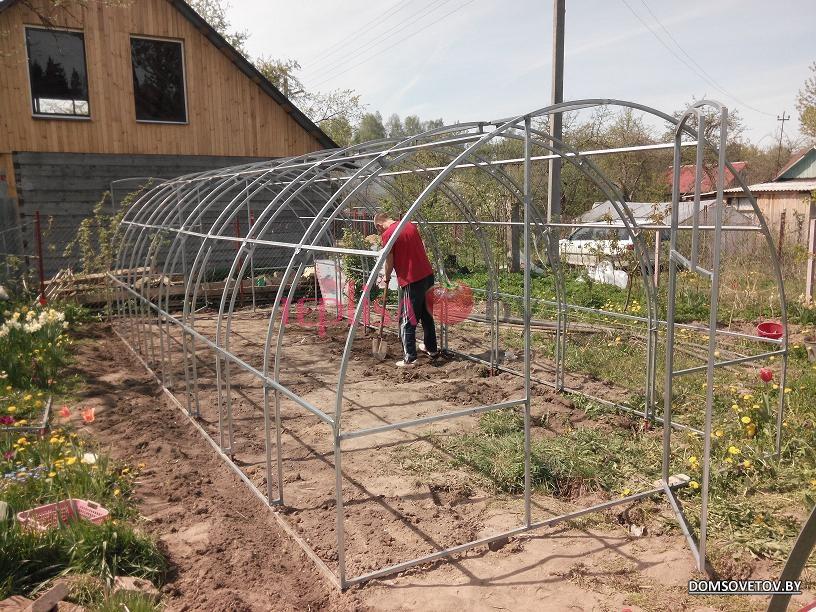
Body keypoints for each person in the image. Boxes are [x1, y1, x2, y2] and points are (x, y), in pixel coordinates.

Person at [373, 212, 438, 367]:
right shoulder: (409, 225)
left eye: (378, 231)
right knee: (426, 315)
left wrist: (387, 278)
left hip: (412, 279)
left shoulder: (389, 234)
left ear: (378, 225)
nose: (379, 233)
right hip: (427, 276)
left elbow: (389, 259)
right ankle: (431, 348)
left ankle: (410, 358)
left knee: (406, 320)